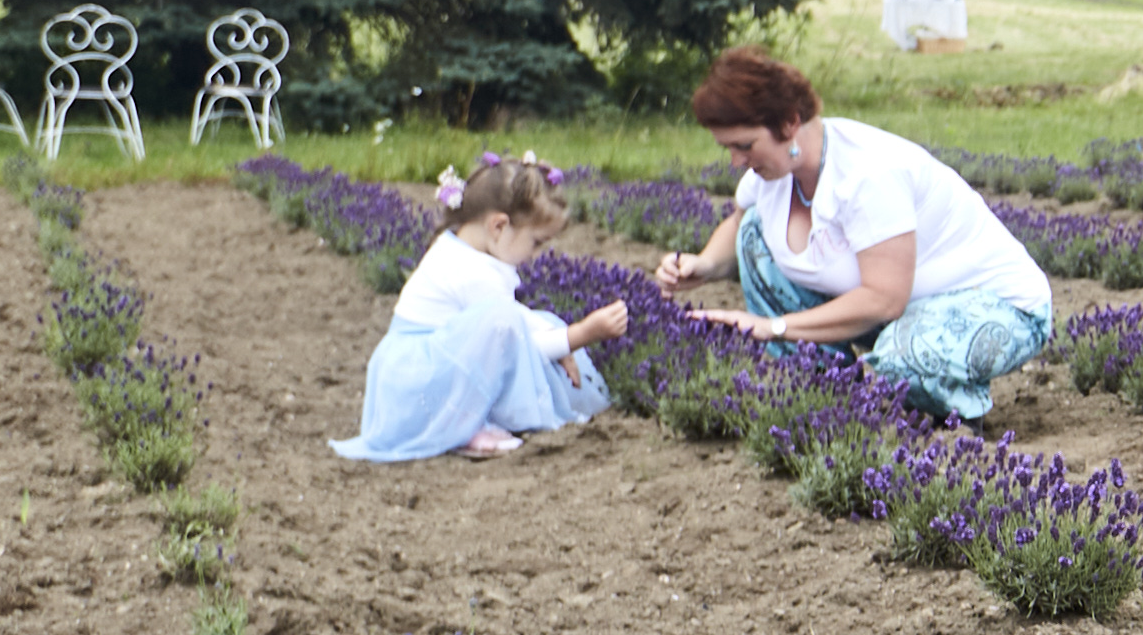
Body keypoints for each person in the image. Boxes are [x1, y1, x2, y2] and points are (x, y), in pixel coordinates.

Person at [649, 47, 1056, 420]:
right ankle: (834, 398)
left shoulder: (867, 174)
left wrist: (772, 327)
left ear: (790, 123)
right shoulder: (773, 172)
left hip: (999, 308)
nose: (736, 160)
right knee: (756, 238)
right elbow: (739, 223)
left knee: (901, 360)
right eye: (728, 149)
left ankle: (948, 422)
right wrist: (703, 263)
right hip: (902, 312)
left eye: (744, 145)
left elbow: (884, 299)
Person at [331, 154, 629, 462]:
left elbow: (521, 321)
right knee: (513, 324)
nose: (536, 255)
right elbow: (516, 342)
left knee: (541, 321)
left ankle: (470, 418)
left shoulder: (461, 248)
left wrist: (557, 334)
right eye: (536, 242)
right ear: (498, 226)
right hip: (422, 379)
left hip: (419, 363)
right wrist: (583, 333)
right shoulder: (473, 274)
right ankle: (463, 426)